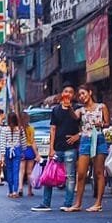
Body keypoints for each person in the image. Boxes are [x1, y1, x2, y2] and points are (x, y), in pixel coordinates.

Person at [32, 83, 81, 212]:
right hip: (57, 147)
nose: (68, 94)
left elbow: (78, 121)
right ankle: (46, 203)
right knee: (49, 175)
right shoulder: (56, 110)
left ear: (73, 95)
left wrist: (77, 135)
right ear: (62, 94)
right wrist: (51, 149)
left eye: (71, 92)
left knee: (70, 177)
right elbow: (52, 129)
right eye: (66, 91)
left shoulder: (77, 108)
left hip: (71, 148)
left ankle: (68, 203)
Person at [64, 83, 109, 212]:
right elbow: (74, 117)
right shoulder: (81, 110)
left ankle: (98, 203)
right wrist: (69, 107)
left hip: (99, 138)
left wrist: (102, 124)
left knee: (99, 172)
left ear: (90, 92)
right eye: (79, 95)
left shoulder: (102, 107)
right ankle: (77, 203)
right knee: (81, 173)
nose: (82, 97)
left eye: (83, 93)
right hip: (85, 140)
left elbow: (107, 123)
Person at [0, 112, 26, 198]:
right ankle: (15, 191)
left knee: (9, 172)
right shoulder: (20, 129)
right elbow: (23, 142)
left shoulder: (4, 130)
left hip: (7, 151)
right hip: (17, 150)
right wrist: (23, 151)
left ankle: (10, 191)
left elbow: (2, 143)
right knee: (16, 171)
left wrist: (2, 155)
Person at [18, 112, 41, 197]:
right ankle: (29, 191)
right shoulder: (31, 128)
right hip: (29, 150)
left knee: (21, 171)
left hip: (21, 150)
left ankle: (20, 188)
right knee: (29, 172)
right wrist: (37, 154)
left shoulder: (19, 129)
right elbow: (32, 142)